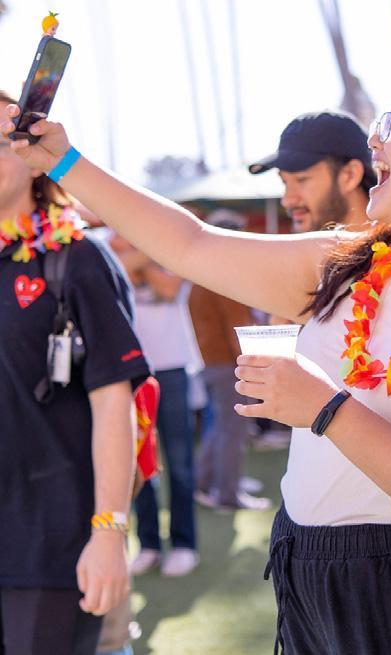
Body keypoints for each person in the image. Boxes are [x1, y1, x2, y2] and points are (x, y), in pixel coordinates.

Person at [1, 60, 391, 653]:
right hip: (303, 566)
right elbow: (189, 244)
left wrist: (327, 410)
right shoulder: (349, 263)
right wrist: (65, 162)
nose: (374, 139)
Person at [0, 90, 149, 655]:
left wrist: (108, 534)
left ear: (34, 159)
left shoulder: (77, 258)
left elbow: (114, 403)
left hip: (50, 548)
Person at [108, 233, 202, 578]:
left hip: (173, 368)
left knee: (179, 463)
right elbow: (117, 266)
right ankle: (147, 544)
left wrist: (138, 253)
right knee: (138, 460)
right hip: (132, 369)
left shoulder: (174, 245)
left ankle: (184, 544)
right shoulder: (140, 248)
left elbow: (170, 287)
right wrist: (146, 256)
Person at [189, 209, 272, 511]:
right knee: (231, 431)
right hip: (228, 364)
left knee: (222, 429)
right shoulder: (221, 276)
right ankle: (227, 493)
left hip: (215, 363)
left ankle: (208, 483)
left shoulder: (204, 274)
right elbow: (238, 328)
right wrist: (254, 362)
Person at [249, 109, 376, 233]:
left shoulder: (388, 244)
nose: (287, 200)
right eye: (284, 182)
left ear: (350, 175)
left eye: (301, 179)